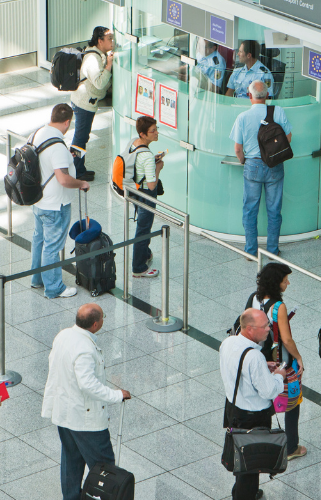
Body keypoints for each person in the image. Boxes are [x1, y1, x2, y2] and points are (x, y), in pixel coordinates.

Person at [41, 303, 132, 500]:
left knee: (71, 461)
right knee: (104, 466)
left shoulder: (63, 335)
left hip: (64, 413)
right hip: (85, 420)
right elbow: (88, 385)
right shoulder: (85, 349)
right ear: (95, 324)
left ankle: (71, 497)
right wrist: (117, 395)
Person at [220, 308, 287, 500]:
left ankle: (240, 490)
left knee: (241, 452)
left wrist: (262, 367)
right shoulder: (254, 357)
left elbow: (237, 366)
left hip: (234, 408)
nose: (269, 329)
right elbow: (268, 391)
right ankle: (244, 495)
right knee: (252, 462)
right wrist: (279, 377)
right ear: (250, 329)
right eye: (265, 326)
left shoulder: (228, 342)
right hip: (254, 416)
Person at [30, 104, 90, 299]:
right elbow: (63, 179)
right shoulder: (57, 146)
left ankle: (37, 279)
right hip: (55, 205)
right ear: (67, 122)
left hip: (38, 200)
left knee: (39, 240)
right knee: (52, 246)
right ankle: (54, 288)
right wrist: (81, 182)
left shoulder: (37, 133)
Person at [230, 80, 292, 257]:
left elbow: (237, 149)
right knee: (274, 210)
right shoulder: (277, 111)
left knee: (250, 210)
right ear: (267, 95)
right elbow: (288, 139)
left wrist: (244, 161)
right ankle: (272, 250)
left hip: (252, 165)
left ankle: (251, 251)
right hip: (275, 165)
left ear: (249, 96)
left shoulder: (242, 117)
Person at [252, 263, 306, 460]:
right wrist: (298, 357)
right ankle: (291, 447)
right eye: (285, 280)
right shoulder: (278, 307)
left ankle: (257, 440)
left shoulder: (253, 298)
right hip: (278, 362)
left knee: (263, 401)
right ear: (277, 283)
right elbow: (286, 339)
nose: (288, 283)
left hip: (257, 358)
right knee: (292, 400)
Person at [70, 26, 114, 182]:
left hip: (86, 102)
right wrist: (109, 65)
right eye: (110, 39)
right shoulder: (92, 59)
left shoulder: (98, 54)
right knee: (80, 138)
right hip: (83, 104)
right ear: (100, 40)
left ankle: (78, 168)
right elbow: (100, 83)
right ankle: (76, 170)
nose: (113, 42)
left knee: (82, 137)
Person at [130, 116, 163, 278]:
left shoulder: (134, 143)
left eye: (156, 129)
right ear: (143, 134)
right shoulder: (147, 156)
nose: (157, 133)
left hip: (134, 190)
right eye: (153, 131)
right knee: (143, 229)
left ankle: (146, 253)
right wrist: (158, 168)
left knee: (142, 226)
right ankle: (138, 267)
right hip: (146, 193)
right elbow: (151, 185)